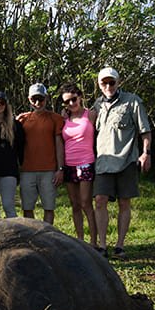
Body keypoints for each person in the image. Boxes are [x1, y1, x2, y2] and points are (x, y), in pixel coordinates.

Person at [92, 67, 152, 259]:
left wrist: (146, 153)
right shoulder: (97, 105)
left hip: (127, 161)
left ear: (119, 82)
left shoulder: (133, 101)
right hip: (103, 162)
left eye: (112, 82)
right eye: (104, 83)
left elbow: (145, 130)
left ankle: (119, 246)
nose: (108, 86)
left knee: (124, 202)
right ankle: (102, 246)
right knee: (100, 200)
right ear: (99, 84)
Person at [16, 83, 64, 224]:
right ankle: (31, 234)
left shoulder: (55, 118)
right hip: (27, 170)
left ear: (46, 98)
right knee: (27, 207)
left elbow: (59, 144)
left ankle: (47, 235)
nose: (38, 103)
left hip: (49, 170)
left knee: (49, 207)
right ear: (29, 99)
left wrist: (60, 169)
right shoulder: (22, 119)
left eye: (41, 99)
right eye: (34, 99)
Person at [59, 82, 97, 246]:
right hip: (69, 165)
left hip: (86, 163)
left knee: (85, 203)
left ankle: (94, 242)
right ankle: (80, 241)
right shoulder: (64, 118)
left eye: (73, 99)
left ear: (80, 97)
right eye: (67, 101)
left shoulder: (91, 115)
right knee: (75, 205)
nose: (71, 103)